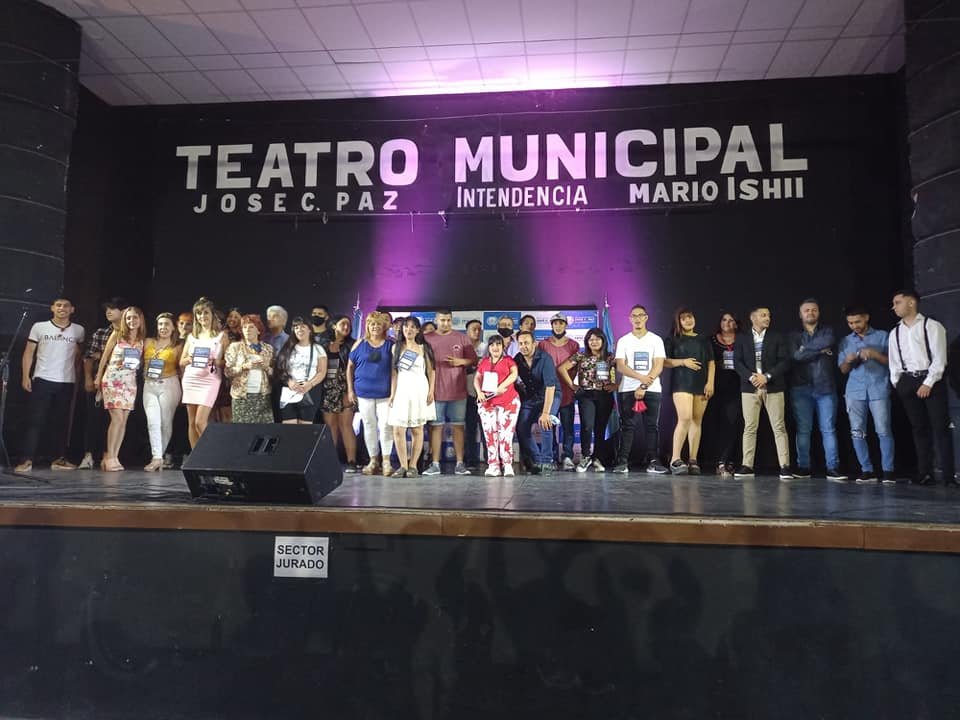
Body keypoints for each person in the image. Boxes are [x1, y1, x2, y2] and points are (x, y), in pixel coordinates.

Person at [888, 289, 955, 486]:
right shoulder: (895, 332)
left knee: (940, 428)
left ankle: (948, 476)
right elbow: (894, 362)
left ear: (911, 303)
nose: (894, 307)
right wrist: (898, 383)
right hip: (908, 381)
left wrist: (928, 383)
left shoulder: (931, 326)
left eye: (898, 302)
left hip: (931, 379)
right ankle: (925, 473)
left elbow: (940, 359)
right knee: (919, 428)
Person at [15, 297, 85, 472]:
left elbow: (78, 357)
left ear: (72, 309)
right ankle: (26, 460)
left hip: (66, 381)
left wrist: (78, 379)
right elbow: (28, 353)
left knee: (61, 422)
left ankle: (58, 459)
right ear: (52, 308)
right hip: (42, 379)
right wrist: (26, 376)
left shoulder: (78, 330)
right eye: (58, 305)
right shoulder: (40, 327)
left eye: (66, 306)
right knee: (35, 421)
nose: (62, 308)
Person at [789, 298, 845, 481]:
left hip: (825, 387)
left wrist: (805, 350)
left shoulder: (827, 332)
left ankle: (833, 468)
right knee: (803, 429)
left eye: (813, 310)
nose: (810, 313)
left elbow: (806, 351)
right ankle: (803, 467)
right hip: (801, 387)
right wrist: (820, 350)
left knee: (828, 429)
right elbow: (796, 356)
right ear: (800, 314)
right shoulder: (794, 336)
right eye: (806, 310)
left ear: (818, 312)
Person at [733, 306, 792, 480]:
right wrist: (751, 377)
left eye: (768, 315)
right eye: (763, 315)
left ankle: (785, 466)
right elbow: (737, 362)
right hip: (749, 388)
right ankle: (747, 465)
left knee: (779, 427)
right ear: (753, 318)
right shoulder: (742, 338)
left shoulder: (777, 337)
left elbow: (784, 361)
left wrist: (767, 376)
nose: (767, 318)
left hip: (773, 387)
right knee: (750, 427)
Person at [838, 306, 895, 484]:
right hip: (854, 391)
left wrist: (875, 355)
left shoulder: (883, 336)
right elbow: (843, 370)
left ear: (866, 318)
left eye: (857, 321)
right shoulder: (846, 341)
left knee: (883, 430)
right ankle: (866, 470)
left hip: (879, 389)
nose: (854, 326)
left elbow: (894, 363)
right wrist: (848, 361)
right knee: (857, 432)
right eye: (850, 323)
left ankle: (888, 471)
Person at [612, 305, 668, 474]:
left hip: (652, 389)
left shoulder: (656, 340)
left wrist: (644, 385)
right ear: (630, 319)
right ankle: (622, 461)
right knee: (627, 426)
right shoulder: (624, 340)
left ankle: (653, 461)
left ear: (646, 317)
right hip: (628, 389)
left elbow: (658, 365)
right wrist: (640, 378)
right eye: (634, 316)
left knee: (651, 426)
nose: (637, 319)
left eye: (640, 315)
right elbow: (621, 366)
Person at [423, 308, 477, 476]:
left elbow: (473, 360)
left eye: (448, 320)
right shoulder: (426, 338)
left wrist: (460, 361)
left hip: (458, 391)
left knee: (458, 426)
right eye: (442, 320)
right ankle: (435, 464)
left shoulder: (462, 338)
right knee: (436, 427)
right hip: (435, 392)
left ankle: (460, 463)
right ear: (436, 320)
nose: (445, 323)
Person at [664, 308, 715, 475]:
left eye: (690, 317)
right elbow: (664, 361)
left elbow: (711, 362)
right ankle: (675, 459)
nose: (688, 320)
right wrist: (683, 362)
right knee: (685, 418)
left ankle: (693, 460)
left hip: (701, 383)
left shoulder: (703, 339)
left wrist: (710, 382)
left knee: (697, 420)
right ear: (678, 321)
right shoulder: (673, 339)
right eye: (684, 318)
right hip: (681, 383)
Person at [558, 327, 616, 472]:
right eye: (591, 339)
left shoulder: (610, 357)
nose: (594, 342)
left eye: (597, 339)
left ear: (603, 340)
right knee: (587, 426)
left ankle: (597, 458)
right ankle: (585, 456)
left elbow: (624, 370)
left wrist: (616, 385)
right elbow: (562, 368)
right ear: (587, 342)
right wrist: (572, 385)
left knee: (600, 428)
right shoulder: (581, 355)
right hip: (586, 395)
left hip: (604, 395)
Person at [94, 306, 145, 472]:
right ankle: (108, 456)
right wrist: (98, 376)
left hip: (130, 382)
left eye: (135, 317)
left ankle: (115, 456)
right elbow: (104, 357)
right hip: (113, 379)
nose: (132, 321)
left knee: (123, 420)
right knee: (116, 418)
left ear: (140, 319)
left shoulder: (142, 340)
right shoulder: (117, 334)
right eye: (128, 318)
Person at [78, 297, 126, 470]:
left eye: (113, 308)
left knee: (114, 420)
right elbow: (89, 357)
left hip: (121, 383)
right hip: (100, 381)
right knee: (93, 419)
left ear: (123, 311)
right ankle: (88, 455)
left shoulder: (131, 334)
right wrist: (89, 378)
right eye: (107, 309)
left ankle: (109, 455)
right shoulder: (101, 333)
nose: (109, 312)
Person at [347, 311, 395, 475]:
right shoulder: (359, 343)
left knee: (386, 426)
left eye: (378, 324)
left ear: (384, 326)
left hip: (385, 394)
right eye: (372, 324)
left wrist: (393, 393)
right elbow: (350, 367)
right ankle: (373, 460)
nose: (375, 327)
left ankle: (386, 461)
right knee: (369, 425)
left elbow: (395, 371)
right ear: (367, 326)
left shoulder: (391, 345)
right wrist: (350, 389)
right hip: (363, 393)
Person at [388, 316, 436, 477]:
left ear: (417, 330)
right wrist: (392, 393)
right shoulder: (396, 348)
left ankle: (413, 466)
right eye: (406, 326)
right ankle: (402, 465)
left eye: (412, 327)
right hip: (401, 390)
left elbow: (431, 371)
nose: (409, 329)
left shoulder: (424, 348)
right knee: (398, 429)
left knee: (417, 428)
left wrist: (431, 391)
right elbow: (394, 373)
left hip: (419, 389)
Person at [179, 297, 226, 448]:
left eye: (206, 312)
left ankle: (211, 454)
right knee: (192, 422)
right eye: (199, 313)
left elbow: (228, 362)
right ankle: (195, 457)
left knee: (200, 421)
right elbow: (181, 362)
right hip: (191, 379)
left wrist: (216, 362)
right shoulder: (191, 337)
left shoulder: (221, 336)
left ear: (212, 314)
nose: (202, 316)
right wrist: (190, 359)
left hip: (210, 380)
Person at [538, 313, 581, 469]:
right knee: (549, 425)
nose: (558, 326)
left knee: (568, 426)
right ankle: (552, 456)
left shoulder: (574, 345)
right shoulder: (543, 345)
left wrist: (573, 385)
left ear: (565, 325)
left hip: (567, 391)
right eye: (555, 323)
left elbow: (577, 368)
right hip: (549, 392)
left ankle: (567, 456)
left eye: (561, 323)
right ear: (551, 325)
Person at [141, 312, 183, 471]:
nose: (163, 327)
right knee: (152, 422)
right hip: (149, 384)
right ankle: (157, 457)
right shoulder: (148, 342)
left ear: (173, 328)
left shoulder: (178, 346)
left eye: (167, 324)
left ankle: (159, 456)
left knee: (165, 422)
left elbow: (182, 368)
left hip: (169, 384)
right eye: (160, 324)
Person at [514, 330, 559, 475]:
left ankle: (547, 462)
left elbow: (550, 387)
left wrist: (545, 413)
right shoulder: (517, 359)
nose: (523, 346)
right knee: (521, 427)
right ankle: (537, 460)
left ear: (535, 343)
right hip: (531, 397)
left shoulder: (545, 358)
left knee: (545, 422)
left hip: (551, 394)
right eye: (521, 343)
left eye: (526, 343)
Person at [474, 334, 520, 477]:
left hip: (508, 402)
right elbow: (477, 378)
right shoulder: (484, 362)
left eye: (498, 344)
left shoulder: (509, 360)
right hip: (487, 403)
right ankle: (493, 465)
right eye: (492, 344)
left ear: (503, 347)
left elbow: (514, 374)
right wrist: (479, 392)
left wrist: (501, 386)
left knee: (506, 434)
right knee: (489, 433)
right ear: (489, 347)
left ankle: (507, 464)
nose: (495, 347)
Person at [706, 311, 742, 477]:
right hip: (714, 386)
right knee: (715, 424)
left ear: (736, 323)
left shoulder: (742, 340)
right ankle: (718, 461)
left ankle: (727, 460)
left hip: (736, 386)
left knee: (732, 423)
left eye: (731, 320)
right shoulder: (711, 340)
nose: (727, 323)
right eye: (724, 320)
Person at [323, 315, 359, 472]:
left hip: (346, 388)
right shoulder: (322, 344)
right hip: (327, 389)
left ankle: (352, 461)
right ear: (333, 326)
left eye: (348, 325)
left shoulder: (353, 345)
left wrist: (350, 390)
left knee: (346, 425)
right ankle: (330, 461)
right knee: (330, 426)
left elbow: (355, 368)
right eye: (343, 324)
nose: (346, 327)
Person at [275, 316, 327, 425]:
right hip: (290, 390)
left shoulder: (318, 348)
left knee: (305, 428)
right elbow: (280, 369)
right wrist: (289, 382)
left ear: (309, 329)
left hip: (310, 391)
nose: (299, 330)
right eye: (296, 327)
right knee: (288, 426)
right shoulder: (288, 347)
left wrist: (310, 384)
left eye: (302, 327)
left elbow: (322, 371)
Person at [224, 313, 274, 424]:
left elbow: (274, 374)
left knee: (264, 431)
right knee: (242, 431)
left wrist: (266, 367)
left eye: (251, 327)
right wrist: (243, 367)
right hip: (241, 397)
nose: (247, 330)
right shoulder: (235, 347)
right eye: (244, 327)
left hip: (263, 397)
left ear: (258, 330)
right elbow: (227, 372)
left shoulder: (268, 349)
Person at [463, 318, 486, 468]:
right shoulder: (462, 348)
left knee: (486, 429)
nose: (477, 332)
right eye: (473, 329)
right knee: (470, 429)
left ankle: (490, 459)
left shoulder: (486, 347)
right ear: (467, 331)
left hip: (484, 395)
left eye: (479, 329)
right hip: (467, 394)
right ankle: (470, 459)